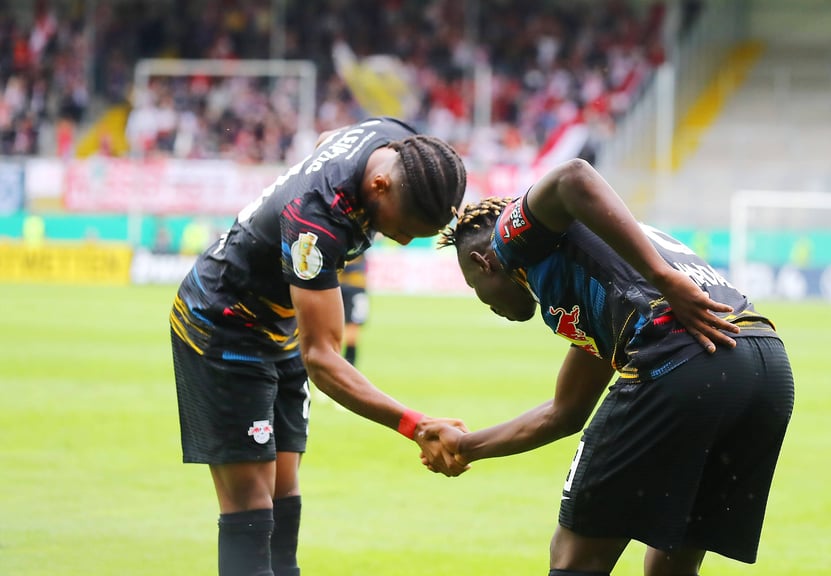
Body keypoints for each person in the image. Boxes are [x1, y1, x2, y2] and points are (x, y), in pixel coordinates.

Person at [426, 158, 795, 576]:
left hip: (684, 356)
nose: (487, 304)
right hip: (765, 367)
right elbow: (564, 413)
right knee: (672, 563)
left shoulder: (509, 242)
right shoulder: (591, 279)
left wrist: (663, 279)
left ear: (483, 263)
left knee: (574, 557)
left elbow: (573, 176)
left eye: (474, 287)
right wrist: (464, 446)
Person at [169, 116, 470, 576]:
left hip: (281, 323)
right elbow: (323, 360)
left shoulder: (398, 141)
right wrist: (416, 425)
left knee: (284, 494)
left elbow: (330, 140)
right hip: (223, 325)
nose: (403, 239)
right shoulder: (315, 223)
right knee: (251, 505)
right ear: (380, 184)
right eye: (404, 227)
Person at [337, 253, 369, 367]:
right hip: (355, 287)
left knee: (349, 329)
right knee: (353, 329)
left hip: (338, 285)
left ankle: (343, 365)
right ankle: (349, 366)